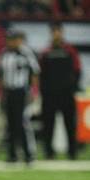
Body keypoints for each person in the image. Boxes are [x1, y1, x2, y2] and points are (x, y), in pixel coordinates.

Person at [0, 30, 39, 164]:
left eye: (13, 39)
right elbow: (0, 74)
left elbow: (35, 72)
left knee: (21, 123)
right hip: (8, 91)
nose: (11, 42)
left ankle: (28, 154)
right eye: (9, 39)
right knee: (10, 124)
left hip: (21, 91)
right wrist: (1, 93)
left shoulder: (26, 52)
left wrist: (34, 91)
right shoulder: (4, 53)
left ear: (19, 40)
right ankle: (12, 155)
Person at [40, 22, 80, 160]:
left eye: (58, 31)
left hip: (66, 93)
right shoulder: (46, 51)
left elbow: (77, 70)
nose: (56, 34)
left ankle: (72, 152)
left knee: (70, 123)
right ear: (51, 34)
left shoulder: (70, 50)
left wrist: (72, 87)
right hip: (49, 94)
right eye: (54, 31)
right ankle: (49, 153)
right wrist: (43, 91)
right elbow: (41, 73)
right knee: (48, 124)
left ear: (62, 33)